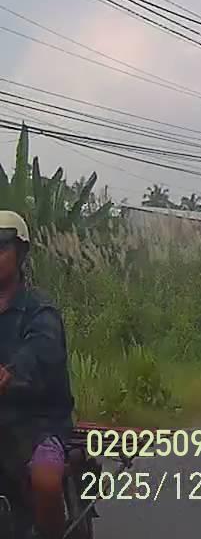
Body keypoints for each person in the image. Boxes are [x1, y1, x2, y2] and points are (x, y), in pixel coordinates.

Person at [0, 211, 74, 539]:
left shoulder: (39, 309)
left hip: (38, 422)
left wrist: (11, 372)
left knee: (45, 479)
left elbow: (42, 352)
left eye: (1, 247)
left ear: (20, 253)